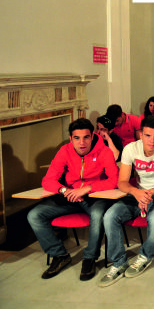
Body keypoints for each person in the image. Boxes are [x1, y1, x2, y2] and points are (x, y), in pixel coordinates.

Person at [27, 118, 118, 281]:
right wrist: (64, 190)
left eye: (86, 137)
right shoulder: (65, 151)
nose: (82, 143)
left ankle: (89, 258)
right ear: (71, 138)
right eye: (77, 138)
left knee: (98, 215)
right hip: (70, 195)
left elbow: (114, 180)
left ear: (92, 136)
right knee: (34, 215)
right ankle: (59, 255)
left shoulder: (104, 152)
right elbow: (47, 180)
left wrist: (87, 188)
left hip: (94, 196)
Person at [99, 117, 154, 287]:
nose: (152, 141)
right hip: (136, 194)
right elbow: (122, 182)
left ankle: (145, 256)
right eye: (147, 136)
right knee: (109, 216)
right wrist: (136, 192)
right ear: (140, 135)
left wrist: (149, 193)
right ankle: (119, 262)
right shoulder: (131, 149)